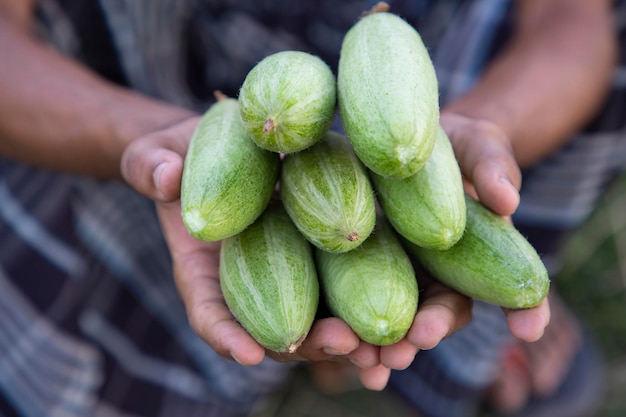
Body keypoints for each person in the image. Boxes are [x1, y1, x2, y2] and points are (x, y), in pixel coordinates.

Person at [0, 1, 617, 417]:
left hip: (438, 50)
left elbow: (571, 19)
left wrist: (488, 127)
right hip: (142, 62)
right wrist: (148, 135)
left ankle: (423, 335)